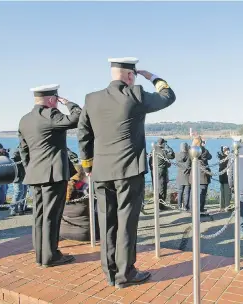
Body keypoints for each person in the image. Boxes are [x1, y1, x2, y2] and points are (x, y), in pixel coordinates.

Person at [77, 57, 176, 288]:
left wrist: (88, 166)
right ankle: (125, 273)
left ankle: (110, 272)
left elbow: (83, 134)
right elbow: (168, 96)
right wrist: (152, 77)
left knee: (107, 222)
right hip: (129, 171)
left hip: (101, 171)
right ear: (130, 76)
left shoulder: (91, 99)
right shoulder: (136, 94)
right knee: (126, 223)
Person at [18, 84, 81, 267]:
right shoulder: (50, 114)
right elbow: (77, 117)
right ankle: (51, 256)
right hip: (53, 175)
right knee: (52, 216)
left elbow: (24, 151)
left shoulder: (25, 120)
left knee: (39, 215)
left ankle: (41, 255)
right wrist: (70, 104)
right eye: (58, 100)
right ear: (52, 100)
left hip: (35, 174)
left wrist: (31, 169)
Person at [61, 164, 100, 242]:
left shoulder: (61, 190)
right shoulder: (89, 190)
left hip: (62, 232)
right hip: (85, 234)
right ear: (84, 176)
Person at [148, 138, 175, 210]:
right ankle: (161, 206)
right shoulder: (163, 151)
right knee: (162, 188)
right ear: (163, 143)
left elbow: (150, 161)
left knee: (155, 188)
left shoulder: (153, 150)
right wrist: (168, 147)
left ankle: (156, 204)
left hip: (154, 171)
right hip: (161, 172)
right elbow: (172, 156)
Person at [191, 136, 212, 212]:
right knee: (202, 193)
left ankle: (192, 209)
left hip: (194, 174)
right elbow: (210, 157)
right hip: (203, 175)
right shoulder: (204, 150)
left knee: (193, 193)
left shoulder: (191, 150)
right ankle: (200, 209)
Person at [10, 145, 28, 216]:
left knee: (23, 192)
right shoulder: (15, 156)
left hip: (23, 176)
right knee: (18, 192)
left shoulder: (19, 154)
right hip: (18, 177)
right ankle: (13, 209)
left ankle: (21, 208)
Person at [176, 142, 191, 211]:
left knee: (180, 192)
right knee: (186, 193)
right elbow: (188, 165)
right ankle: (185, 206)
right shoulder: (189, 155)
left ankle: (179, 206)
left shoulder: (177, 155)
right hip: (187, 176)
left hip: (179, 176)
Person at [218, 146, 232, 211]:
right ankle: (227, 207)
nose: (228, 151)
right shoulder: (227, 158)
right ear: (224, 151)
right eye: (226, 150)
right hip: (226, 178)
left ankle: (222, 207)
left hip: (221, 177)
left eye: (228, 150)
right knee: (227, 193)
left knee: (223, 193)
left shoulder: (220, 158)